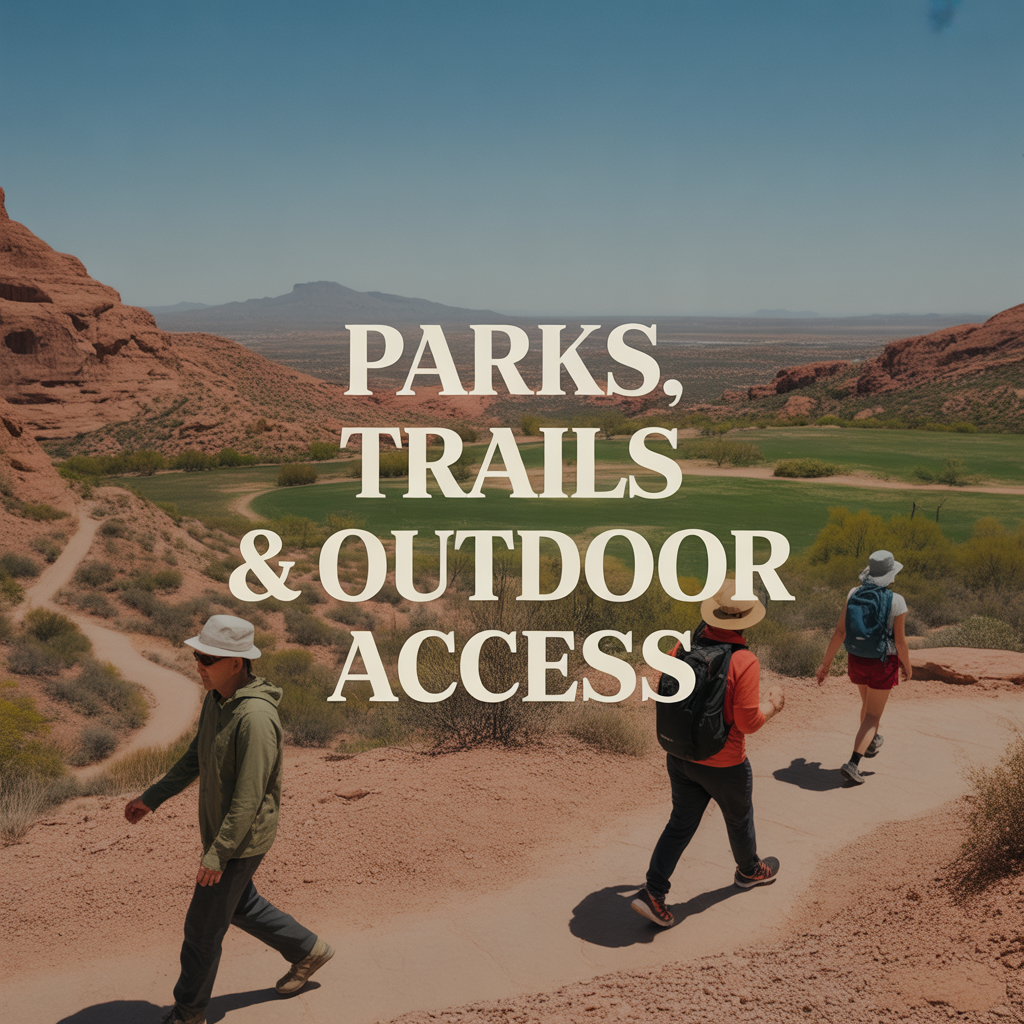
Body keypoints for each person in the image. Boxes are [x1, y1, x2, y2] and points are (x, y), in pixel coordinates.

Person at [124, 614, 334, 1024]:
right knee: (240, 905)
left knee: (202, 932)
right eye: (198, 655)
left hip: (240, 840)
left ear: (236, 663)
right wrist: (153, 797)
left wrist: (218, 854)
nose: (198, 664)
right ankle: (309, 951)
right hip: (223, 835)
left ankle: (189, 1013)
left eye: (208, 658)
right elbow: (195, 757)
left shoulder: (254, 718)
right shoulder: (217, 699)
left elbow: (249, 797)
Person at [631, 583, 785, 928]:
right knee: (739, 817)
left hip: (681, 755)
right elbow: (748, 722)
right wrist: (773, 705)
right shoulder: (744, 660)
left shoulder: (681, 646)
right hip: (724, 763)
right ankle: (749, 871)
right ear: (746, 621)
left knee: (680, 823)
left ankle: (652, 892)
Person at [815, 549, 911, 785]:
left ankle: (870, 742)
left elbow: (840, 632)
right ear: (890, 574)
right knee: (872, 714)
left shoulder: (853, 593)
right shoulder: (897, 601)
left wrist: (825, 666)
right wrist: (907, 666)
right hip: (882, 662)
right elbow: (900, 641)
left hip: (856, 658)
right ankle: (853, 763)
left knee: (867, 707)